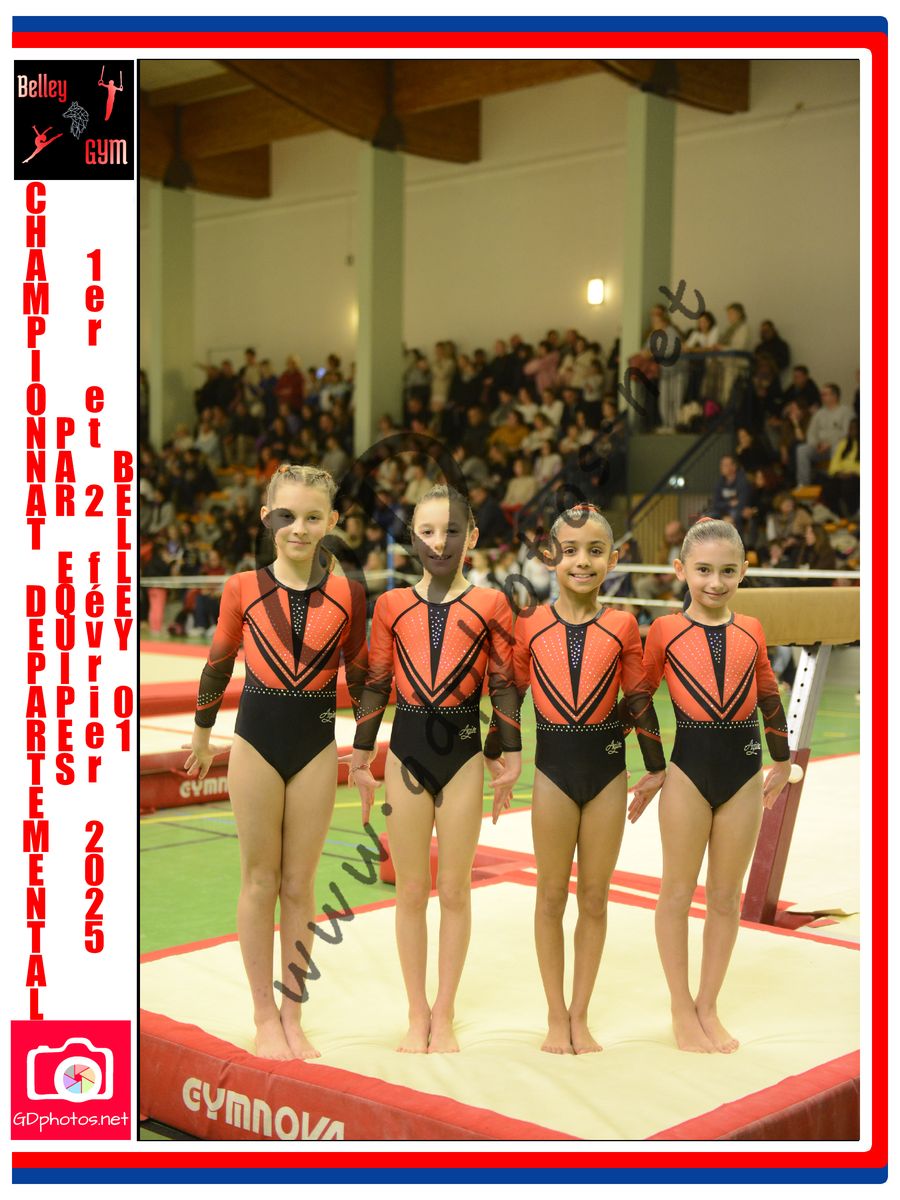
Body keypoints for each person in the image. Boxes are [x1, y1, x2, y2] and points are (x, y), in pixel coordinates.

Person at [183, 464, 368, 1061]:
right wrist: (202, 735)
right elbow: (218, 663)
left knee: (299, 884)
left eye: (313, 517)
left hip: (315, 744)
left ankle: (293, 1013)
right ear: (267, 517)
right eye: (287, 515)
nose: (299, 527)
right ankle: (263, 1013)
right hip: (256, 742)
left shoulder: (347, 593)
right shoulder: (242, 587)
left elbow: (363, 675)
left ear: (331, 521)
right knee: (260, 879)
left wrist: (365, 751)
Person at [348, 486, 522, 1054]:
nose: (439, 542)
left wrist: (511, 751)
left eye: (451, 531)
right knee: (410, 890)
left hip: (463, 756)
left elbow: (504, 683)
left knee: (453, 889)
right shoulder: (393, 605)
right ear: (412, 537)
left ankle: (444, 1009)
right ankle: (416, 1010)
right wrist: (361, 756)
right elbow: (377, 682)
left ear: (471, 537)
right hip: (406, 756)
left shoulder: (491, 603)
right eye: (426, 531)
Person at [488, 506, 666, 1054]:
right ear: (551, 557)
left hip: (607, 773)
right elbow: (511, 692)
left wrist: (655, 766)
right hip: (553, 775)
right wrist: (503, 757)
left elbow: (638, 698)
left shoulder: (622, 625)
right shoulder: (530, 624)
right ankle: (554, 1013)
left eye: (595, 551)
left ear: (614, 559)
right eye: (570, 551)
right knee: (549, 895)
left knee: (594, 898)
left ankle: (580, 1014)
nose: (582, 561)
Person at [637, 519, 790, 1053]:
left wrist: (781, 760)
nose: (715, 582)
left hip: (743, 772)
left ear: (744, 571)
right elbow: (641, 697)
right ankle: (681, 1007)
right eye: (703, 570)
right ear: (680, 570)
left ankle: (708, 1004)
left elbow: (768, 693)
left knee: (726, 896)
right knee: (677, 892)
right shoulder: (665, 630)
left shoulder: (751, 628)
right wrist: (654, 766)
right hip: (688, 771)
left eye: (727, 571)